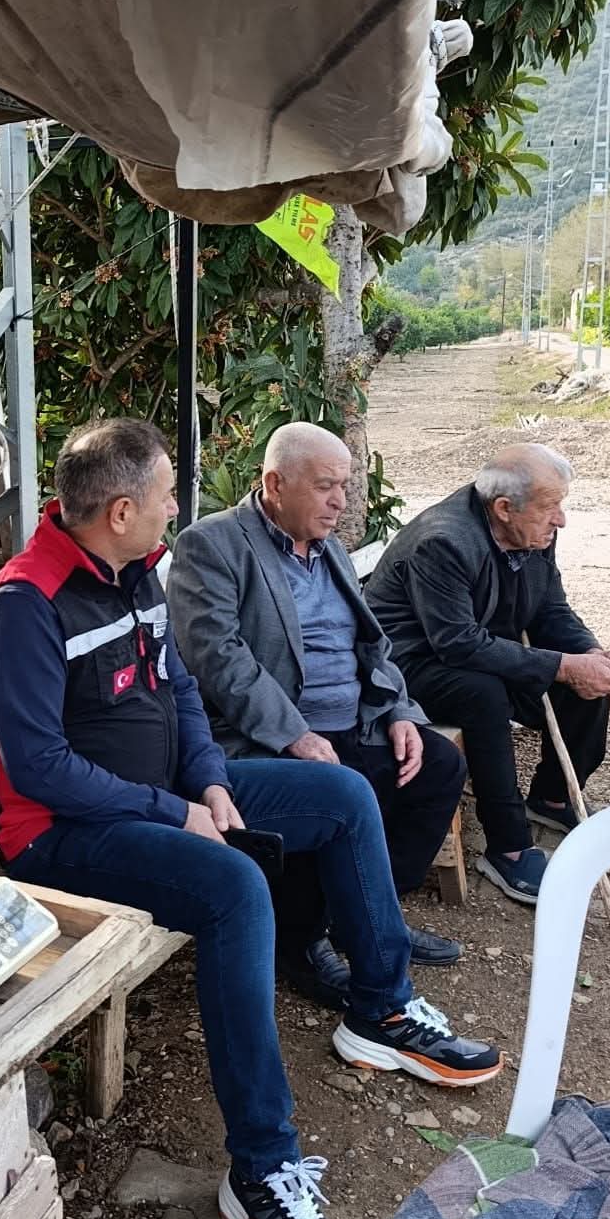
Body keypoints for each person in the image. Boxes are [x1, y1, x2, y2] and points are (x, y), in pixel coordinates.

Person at [0, 418, 503, 1219]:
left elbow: (179, 691)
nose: (178, 507)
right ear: (121, 509)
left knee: (342, 794)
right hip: (60, 835)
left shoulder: (134, 571)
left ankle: (379, 1006)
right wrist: (172, 809)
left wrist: (208, 780)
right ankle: (261, 1166)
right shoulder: (21, 604)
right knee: (234, 887)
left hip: (163, 797)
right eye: (167, 494)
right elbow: (39, 768)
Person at [168, 423, 467, 1011]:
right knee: (334, 788)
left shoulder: (327, 548)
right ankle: (301, 942)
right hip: (269, 734)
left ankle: (369, 916)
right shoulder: (213, 544)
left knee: (437, 765)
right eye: (326, 486)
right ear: (274, 484)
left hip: (354, 721)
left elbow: (371, 643)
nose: (341, 502)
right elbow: (217, 659)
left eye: (345, 486)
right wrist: (295, 734)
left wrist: (398, 710)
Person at [364, 442, 610, 903]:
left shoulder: (533, 530)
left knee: (587, 682)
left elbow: (549, 608)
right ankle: (507, 846)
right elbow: (456, 643)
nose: (561, 519)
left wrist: (589, 652)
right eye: (551, 507)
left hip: (477, 646)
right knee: (483, 693)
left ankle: (551, 797)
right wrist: (563, 666)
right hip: (408, 663)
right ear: (504, 508)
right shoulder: (444, 541)